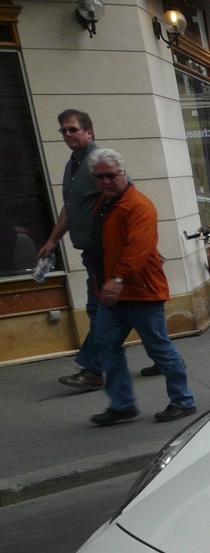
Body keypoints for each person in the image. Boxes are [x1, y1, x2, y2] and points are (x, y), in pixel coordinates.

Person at [85, 149, 197, 427]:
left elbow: (137, 248)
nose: (106, 181)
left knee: (158, 347)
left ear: (124, 174)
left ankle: (183, 401)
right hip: (112, 294)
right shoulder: (104, 204)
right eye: (100, 177)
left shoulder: (138, 205)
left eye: (112, 175)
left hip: (140, 291)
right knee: (105, 345)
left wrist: (118, 279)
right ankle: (122, 406)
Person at [38, 109, 106, 392]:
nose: (67, 135)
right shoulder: (73, 166)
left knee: (99, 310)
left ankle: (93, 370)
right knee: (125, 310)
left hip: (105, 251)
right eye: (63, 131)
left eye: (72, 129)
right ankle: (163, 358)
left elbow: (123, 197)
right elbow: (71, 209)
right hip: (91, 252)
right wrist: (53, 240)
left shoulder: (99, 161)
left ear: (88, 132)